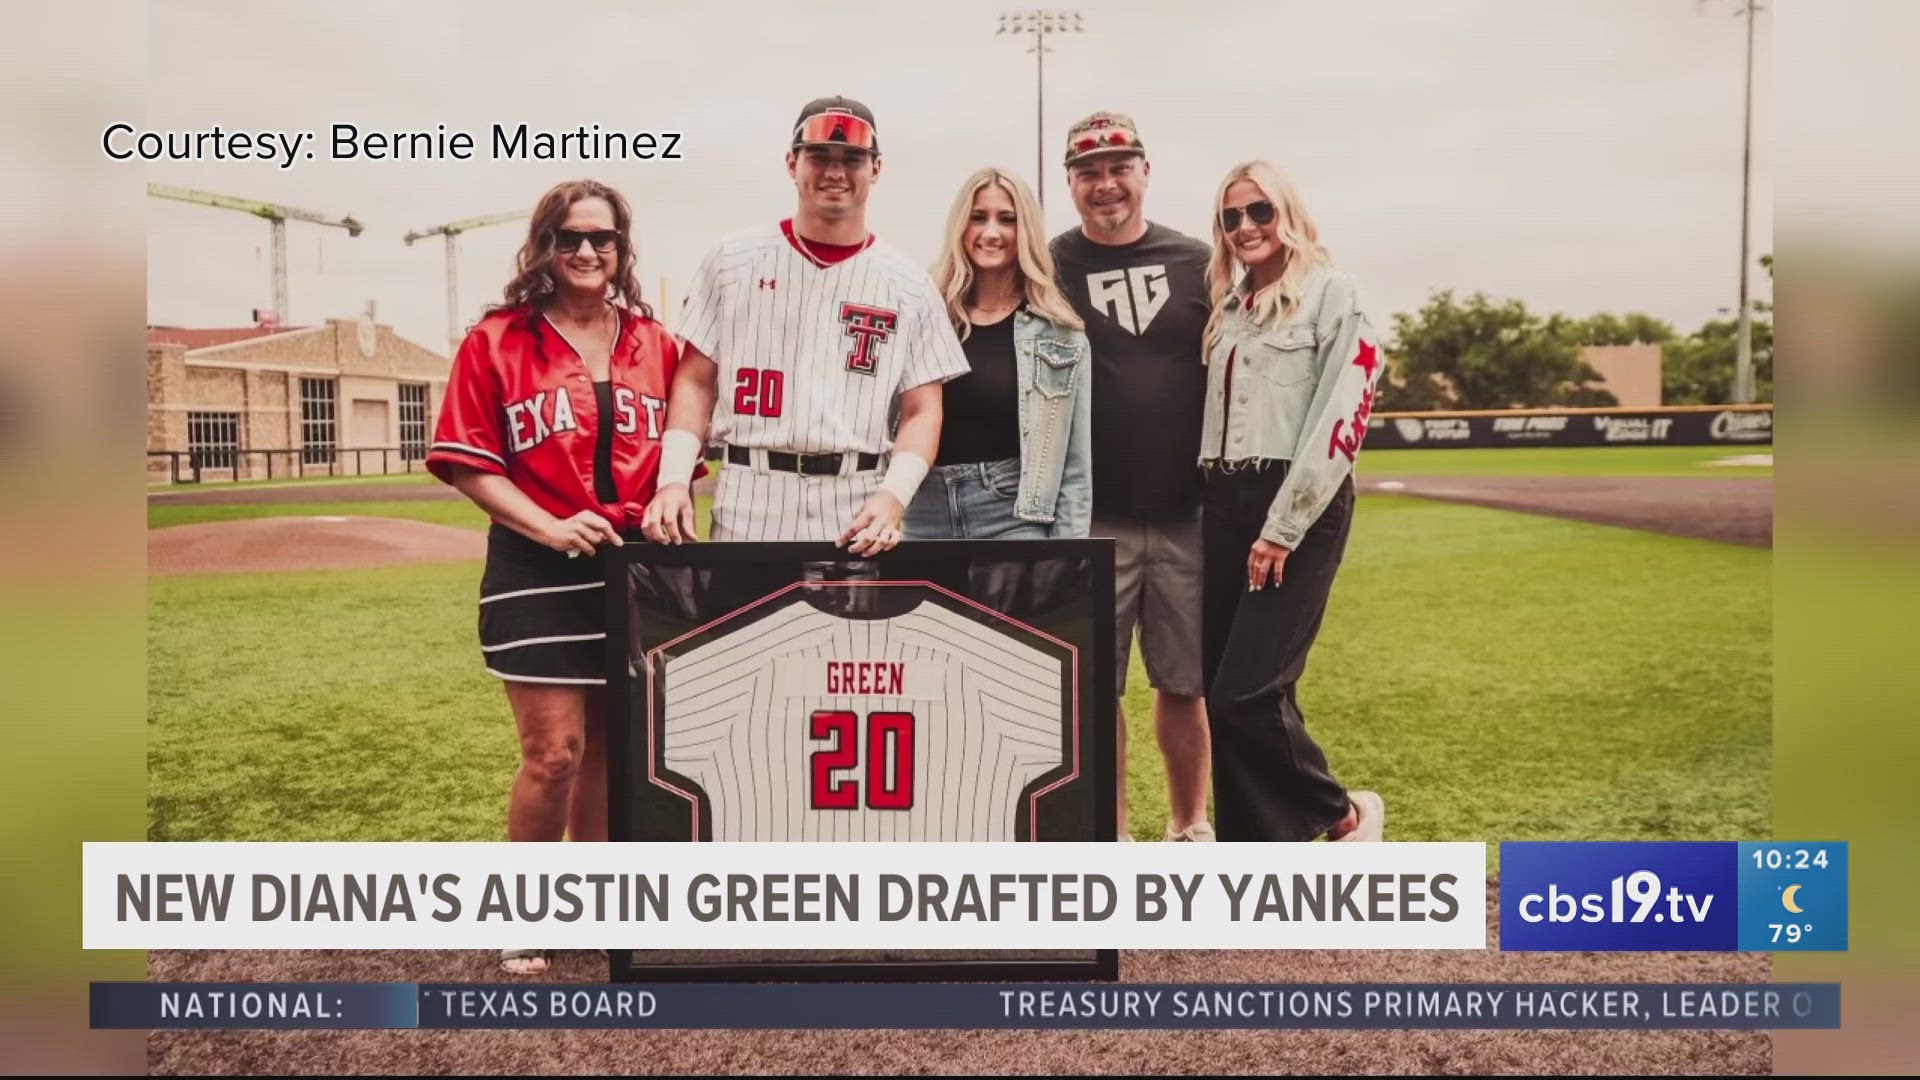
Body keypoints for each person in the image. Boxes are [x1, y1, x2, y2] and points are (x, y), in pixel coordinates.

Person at [426, 179, 685, 974]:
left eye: (601, 239)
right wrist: (549, 524)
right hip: (536, 564)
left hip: (628, 569)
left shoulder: (653, 342)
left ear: (621, 248)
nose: (585, 252)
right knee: (555, 752)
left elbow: (680, 447)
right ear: (544, 246)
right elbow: (470, 465)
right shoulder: (498, 340)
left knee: (610, 748)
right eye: (569, 237)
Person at [643, 96, 968, 552]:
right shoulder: (731, 259)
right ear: (792, 162)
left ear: (875, 169)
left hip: (858, 499)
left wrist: (894, 496)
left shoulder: (909, 282)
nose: (835, 171)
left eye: (852, 158)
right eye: (819, 156)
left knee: (854, 627)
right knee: (750, 625)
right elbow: (696, 381)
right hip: (749, 492)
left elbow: (922, 410)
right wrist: (674, 478)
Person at [1198, 160, 1385, 843]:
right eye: (1231, 217)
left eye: (1259, 212)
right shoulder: (1228, 307)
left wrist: (1282, 527)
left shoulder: (1335, 295)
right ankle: (1257, 857)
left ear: (1287, 215)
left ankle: (1344, 817)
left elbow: (1343, 419)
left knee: (1244, 692)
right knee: (1227, 695)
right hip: (1221, 504)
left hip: (1295, 506)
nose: (1245, 226)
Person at [1048, 112, 1214, 841]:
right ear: (1071, 183)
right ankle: (1109, 835)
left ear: (1145, 171)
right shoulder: (1047, 264)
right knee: (1095, 687)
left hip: (1187, 510)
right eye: (1088, 171)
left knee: (1184, 682)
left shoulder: (1201, 260)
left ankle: (1189, 826)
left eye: (1119, 167)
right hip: (1091, 513)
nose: (1105, 184)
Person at [908, 167, 1091, 540]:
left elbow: (1075, 466)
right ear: (961, 225)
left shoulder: (1060, 335)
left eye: (1007, 220)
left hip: (1012, 514)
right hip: (923, 508)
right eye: (978, 218)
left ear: (1025, 232)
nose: (991, 233)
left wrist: (1069, 553)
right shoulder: (924, 315)